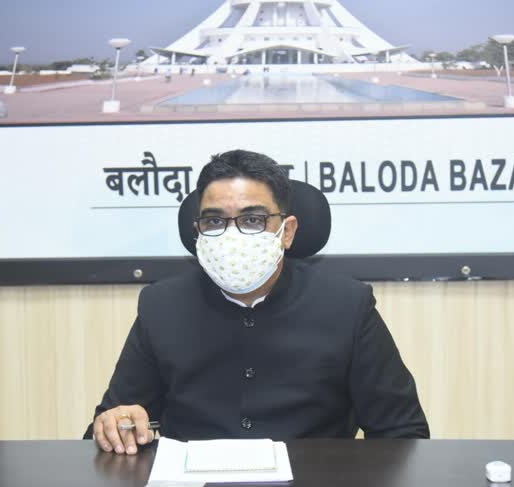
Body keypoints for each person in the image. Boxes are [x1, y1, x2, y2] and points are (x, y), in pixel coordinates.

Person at [87, 150, 429, 455]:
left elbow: (403, 434)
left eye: (253, 220)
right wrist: (116, 423)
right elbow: (109, 427)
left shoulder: (348, 305)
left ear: (288, 231)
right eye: (215, 221)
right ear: (198, 231)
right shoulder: (161, 306)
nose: (232, 234)